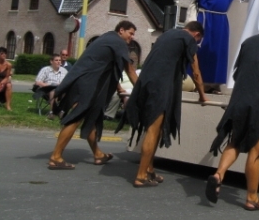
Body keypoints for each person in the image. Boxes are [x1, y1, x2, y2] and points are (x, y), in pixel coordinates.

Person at [206, 8, 259, 210]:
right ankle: (252, 198)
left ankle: (218, 175)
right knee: (256, 151)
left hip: (239, 99)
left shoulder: (248, 43)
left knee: (235, 141)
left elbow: (237, 74)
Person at [123, 21, 208, 188]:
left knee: (156, 129)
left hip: (145, 82)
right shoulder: (188, 39)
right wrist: (203, 96)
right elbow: (196, 72)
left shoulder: (167, 34)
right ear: (197, 35)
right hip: (159, 86)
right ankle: (141, 176)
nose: (196, 44)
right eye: (198, 41)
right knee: (153, 130)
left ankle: (149, 169)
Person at [47, 21, 139, 170]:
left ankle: (98, 154)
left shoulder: (106, 38)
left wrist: (119, 88)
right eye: (131, 33)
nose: (132, 37)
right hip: (86, 84)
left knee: (91, 118)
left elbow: (107, 68)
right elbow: (130, 70)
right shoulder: (118, 42)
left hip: (83, 81)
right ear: (121, 30)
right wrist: (143, 91)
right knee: (76, 118)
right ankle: (56, 157)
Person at [186, 0, 241, 91]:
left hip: (221, 20)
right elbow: (193, 1)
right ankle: (197, 83)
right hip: (204, 19)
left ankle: (214, 84)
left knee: (219, 52)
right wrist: (191, 23)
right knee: (203, 50)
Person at [34, 54, 68, 120]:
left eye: (59, 60)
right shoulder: (45, 70)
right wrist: (50, 85)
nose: (58, 62)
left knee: (68, 91)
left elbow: (67, 82)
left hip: (60, 90)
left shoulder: (64, 71)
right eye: (56, 60)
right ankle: (51, 113)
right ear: (51, 61)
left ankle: (62, 111)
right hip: (47, 91)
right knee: (53, 91)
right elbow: (38, 82)